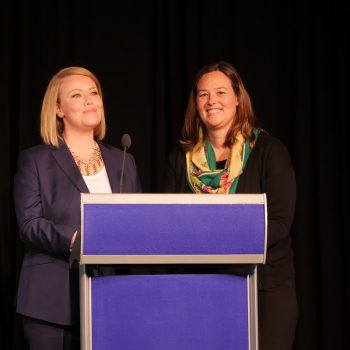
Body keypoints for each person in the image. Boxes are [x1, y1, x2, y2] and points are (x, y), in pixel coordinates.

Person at [163, 61, 298, 350]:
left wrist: (222, 240)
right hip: (201, 287)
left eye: (221, 92)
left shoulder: (269, 152)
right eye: (203, 94)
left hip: (265, 289)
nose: (211, 101)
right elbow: (169, 224)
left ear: (238, 99)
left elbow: (278, 224)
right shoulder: (180, 159)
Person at [13, 66, 142, 349]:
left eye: (93, 93)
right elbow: (30, 223)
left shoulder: (123, 160)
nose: (89, 99)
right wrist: (75, 239)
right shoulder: (35, 160)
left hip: (111, 297)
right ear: (58, 109)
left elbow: (137, 222)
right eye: (76, 95)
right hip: (52, 302)